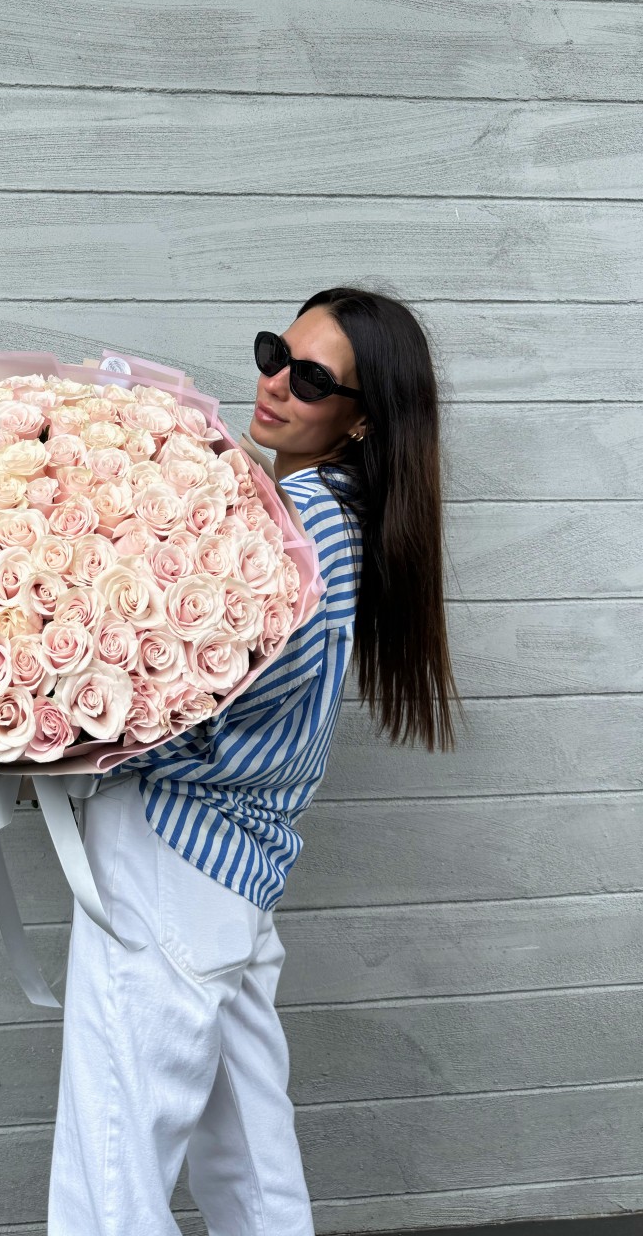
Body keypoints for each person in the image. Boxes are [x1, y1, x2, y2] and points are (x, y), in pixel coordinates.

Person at [47, 286, 466, 1235]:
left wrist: (74, 729)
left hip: (171, 852)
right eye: (276, 352)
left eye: (312, 379)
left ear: (362, 421)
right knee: (251, 1162)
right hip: (237, 873)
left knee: (113, 1165)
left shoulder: (298, 522)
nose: (276, 382)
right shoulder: (341, 513)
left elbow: (243, 683)